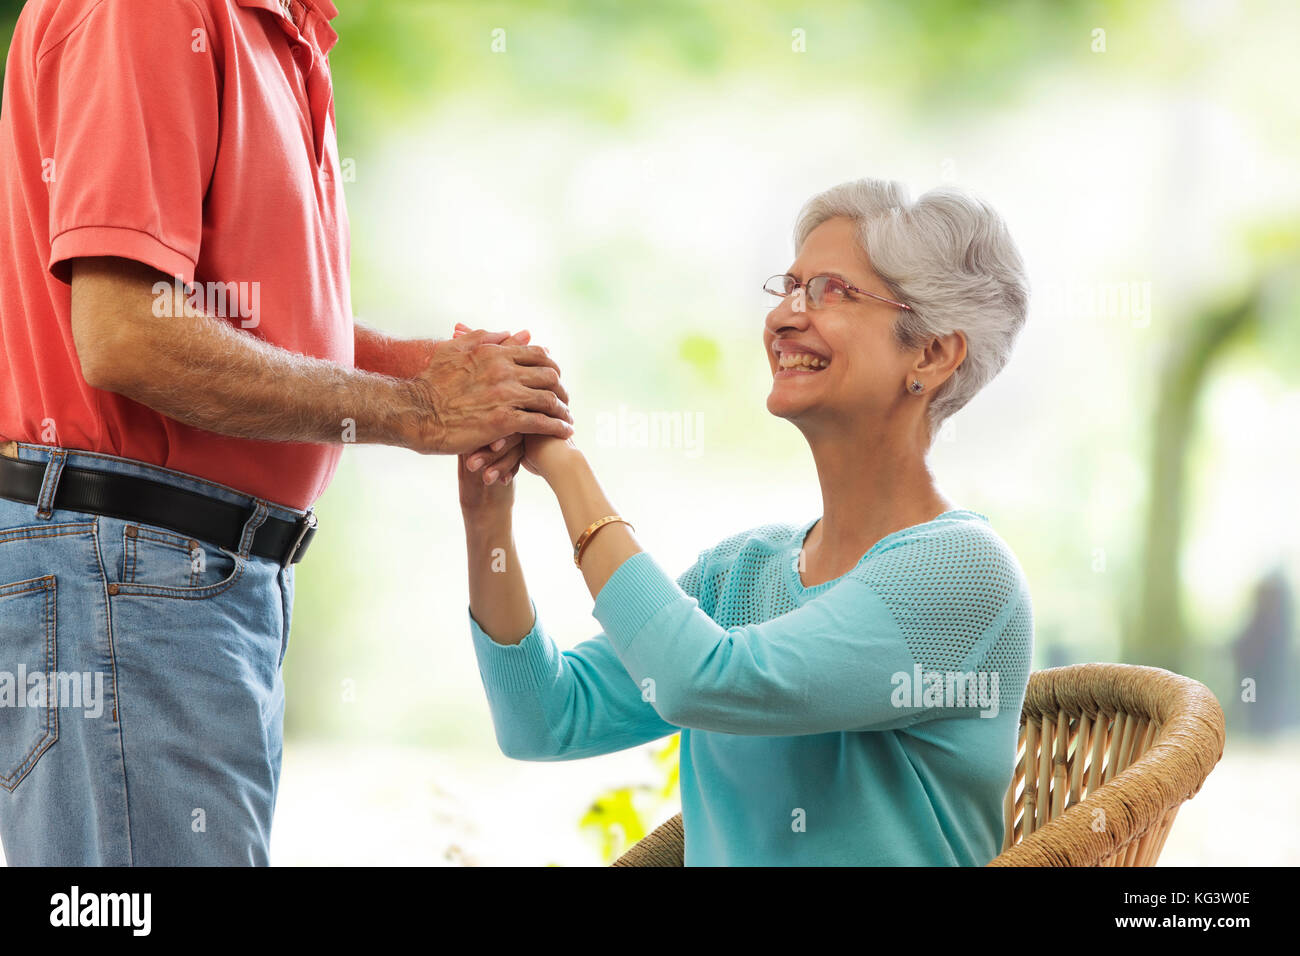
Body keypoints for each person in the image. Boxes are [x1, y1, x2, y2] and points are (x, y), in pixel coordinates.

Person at [0, 0, 569, 865]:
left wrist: (431, 375)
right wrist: (419, 412)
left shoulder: (281, 30)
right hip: (128, 568)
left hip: (173, 576)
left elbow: (250, 320)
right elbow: (128, 334)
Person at [458, 178, 1036, 865]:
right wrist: (487, 508)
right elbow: (544, 720)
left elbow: (700, 680)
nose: (785, 317)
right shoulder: (741, 575)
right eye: (789, 288)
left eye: (832, 291)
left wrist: (564, 465)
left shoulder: (963, 572)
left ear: (932, 354)